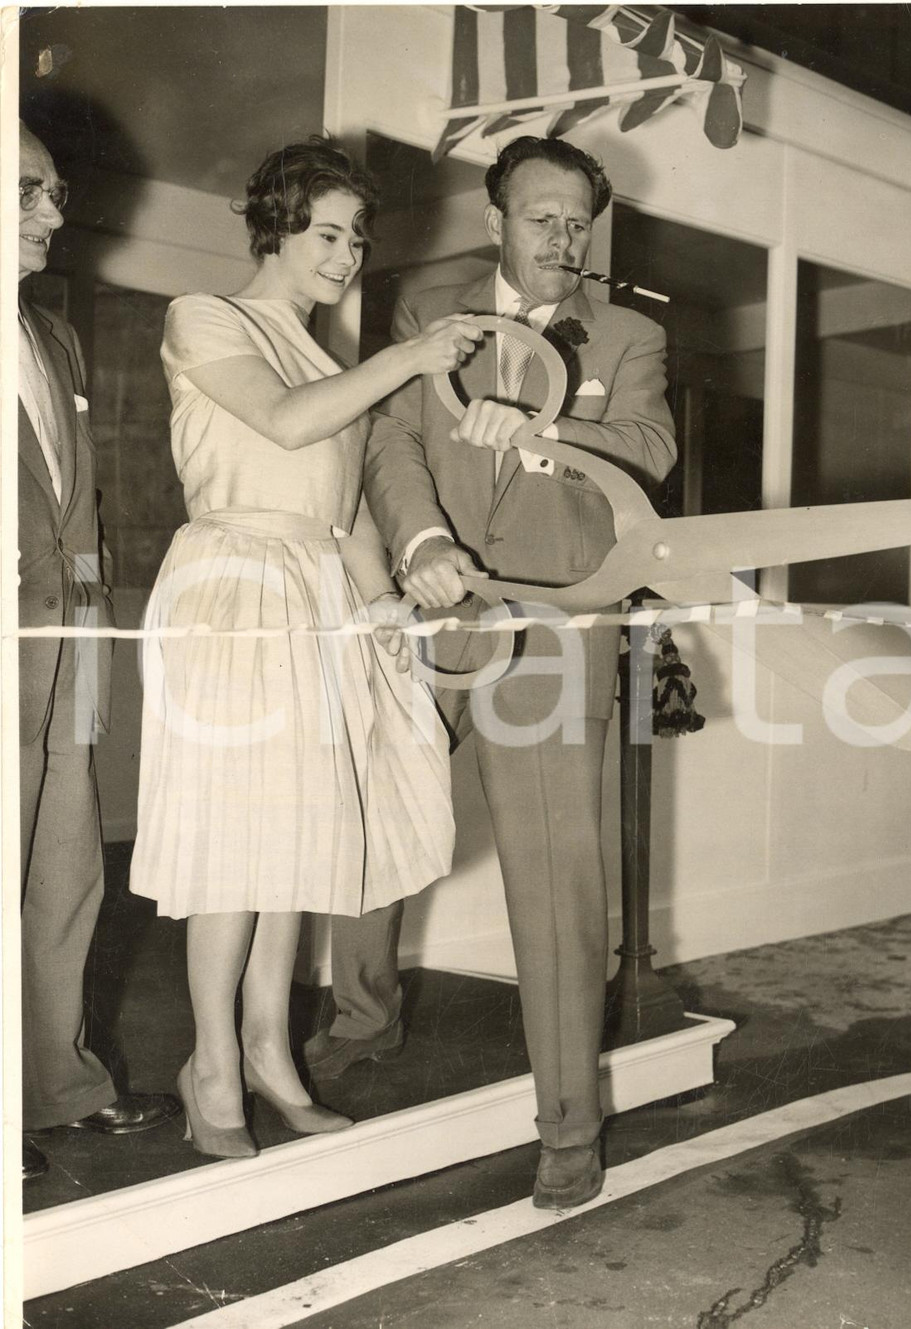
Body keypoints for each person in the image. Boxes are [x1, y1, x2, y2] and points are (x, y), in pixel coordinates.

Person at [306, 136, 676, 1208]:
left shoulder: (631, 335)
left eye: (577, 220)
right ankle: (362, 1020)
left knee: (558, 880)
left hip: (560, 631)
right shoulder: (430, 319)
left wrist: (549, 427)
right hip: (436, 610)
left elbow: (648, 447)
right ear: (496, 222)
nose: (562, 237)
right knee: (375, 823)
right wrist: (420, 545)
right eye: (540, 216)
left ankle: (567, 1124)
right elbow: (392, 444)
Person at [128, 137, 480, 1159]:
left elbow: (346, 512)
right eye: (328, 232)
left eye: (357, 239)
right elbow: (284, 427)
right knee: (237, 845)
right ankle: (212, 1070)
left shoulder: (333, 359)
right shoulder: (205, 318)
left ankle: (270, 1051)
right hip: (236, 581)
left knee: (296, 845)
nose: (346, 254)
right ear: (275, 226)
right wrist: (408, 358)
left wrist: (385, 610)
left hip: (318, 586)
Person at [17, 122, 179, 1183]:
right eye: (27, 189)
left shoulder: (56, 338)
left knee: (66, 870)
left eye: (56, 190)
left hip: (62, 634)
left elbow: (83, 502)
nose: (52, 211)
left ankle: (56, 1086)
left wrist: (94, 629)